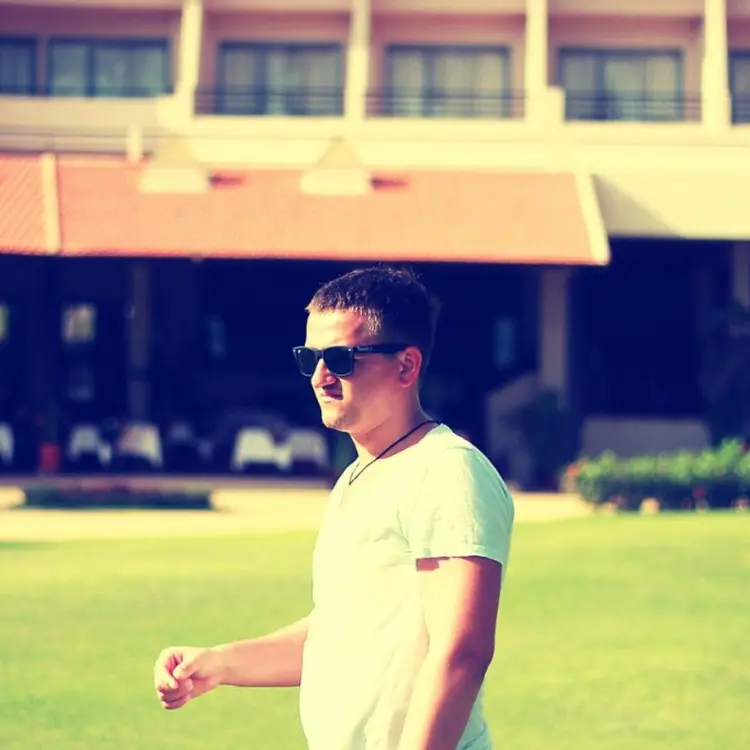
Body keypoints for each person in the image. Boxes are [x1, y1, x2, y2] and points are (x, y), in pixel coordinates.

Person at [153, 265, 515, 750]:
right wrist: (217, 663)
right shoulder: (357, 476)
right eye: (310, 358)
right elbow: (340, 633)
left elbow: (461, 652)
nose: (321, 377)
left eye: (341, 358)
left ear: (406, 366)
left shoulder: (447, 470)